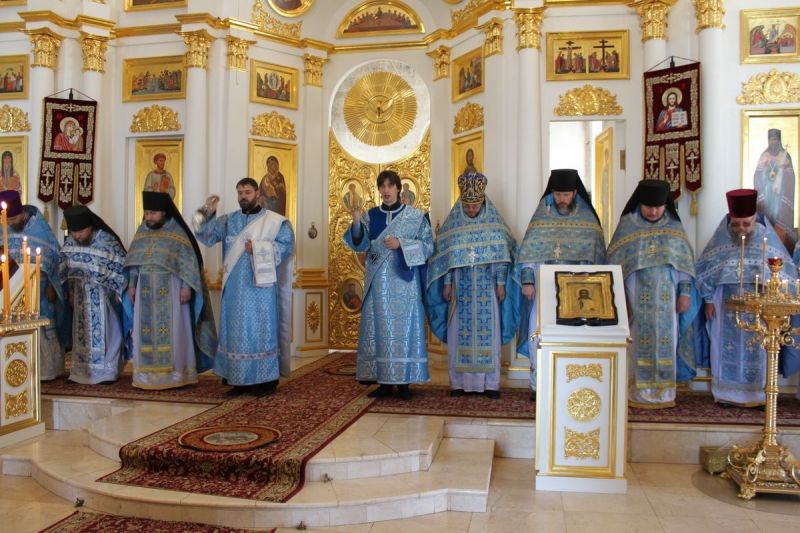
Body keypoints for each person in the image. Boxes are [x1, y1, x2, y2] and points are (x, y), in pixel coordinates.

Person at [696, 189, 799, 408]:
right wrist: (708, 300)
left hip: (759, 307)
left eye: (746, 223)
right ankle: (727, 394)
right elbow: (705, 271)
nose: (741, 229)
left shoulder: (767, 239)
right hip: (725, 304)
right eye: (736, 224)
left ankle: (758, 396)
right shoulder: (721, 238)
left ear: (755, 219)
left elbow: (786, 273)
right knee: (725, 347)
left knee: (758, 349)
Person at [194, 178, 295, 396]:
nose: (243, 196)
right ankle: (237, 381)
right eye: (240, 192)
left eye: (247, 192)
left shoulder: (274, 221)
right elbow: (204, 234)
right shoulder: (228, 221)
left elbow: (287, 246)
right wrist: (206, 211)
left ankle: (265, 381)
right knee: (235, 335)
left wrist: (258, 248)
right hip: (234, 291)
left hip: (261, 290)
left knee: (261, 333)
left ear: (258, 193)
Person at [607, 180, 702, 409]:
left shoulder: (674, 228)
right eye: (648, 207)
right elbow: (614, 263)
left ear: (665, 205)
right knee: (636, 340)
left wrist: (685, 294)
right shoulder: (627, 226)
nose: (653, 212)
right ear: (640, 203)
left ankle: (664, 394)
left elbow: (684, 267)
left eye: (658, 207)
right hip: (634, 297)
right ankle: (637, 393)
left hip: (668, 300)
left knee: (668, 341)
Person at [426, 169, 519, 398]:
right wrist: (447, 283)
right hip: (461, 289)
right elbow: (447, 259)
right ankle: (459, 384)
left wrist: (501, 283)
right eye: (467, 206)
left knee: (490, 335)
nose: (470, 209)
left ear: (483, 201)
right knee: (458, 335)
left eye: (475, 205)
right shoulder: (454, 225)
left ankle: (490, 384)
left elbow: (502, 256)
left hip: (487, 288)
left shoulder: (494, 226)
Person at [516, 169, 606, 401]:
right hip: (544, 289)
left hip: (577, 292)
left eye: (566, 195)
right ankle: (538, 385)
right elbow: (528, 255)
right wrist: (527, 281)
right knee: (538, 333)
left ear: (575, 193)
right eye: (558, 195)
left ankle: (571, 382)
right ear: (552, 193)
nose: (562, 199)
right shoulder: (541, 217)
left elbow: (595, 256)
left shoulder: (587, 220)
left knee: (572, 335)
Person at [344, 170, 433, 400]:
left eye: (390, 186)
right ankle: (383, 382)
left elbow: (428, 247)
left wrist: (401, 243)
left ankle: (404, 384)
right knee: (381, 330)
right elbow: (359, 244)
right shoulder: (371, 215)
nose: (386, 190)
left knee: (403, 331)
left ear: (398, 188)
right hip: (379, 284)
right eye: (382, 186)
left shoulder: (415, 216)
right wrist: (356, 222)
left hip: (405, 284)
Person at [124, 191, 217, 390]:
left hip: (172, 290)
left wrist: (186, 287)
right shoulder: (142, 232)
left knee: (175, 331)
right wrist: (131, 285)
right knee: (144, 332)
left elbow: (187, 263)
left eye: (153, 213)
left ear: (164, 212)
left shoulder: (177, 233)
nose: (149, 217)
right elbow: (134, 262)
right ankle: (145, 377)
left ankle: (176, 375)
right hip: (144, 291)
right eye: (147, 213)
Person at [0, 190, 67, 381]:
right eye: (7, 220)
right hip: (11, 289)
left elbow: (55, 257)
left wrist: (52, 285)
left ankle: (48, 370)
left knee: (43, 325)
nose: (10, 223)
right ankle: (16, 369)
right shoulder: (3, 228)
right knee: (13, 326)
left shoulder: (39, 228)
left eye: (13, 219)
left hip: (40, 287)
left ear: (22, 213)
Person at [60, 205, 127, 385]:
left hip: (104, 297)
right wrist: (71, 291)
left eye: (81, 231)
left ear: (90, 226)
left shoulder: (107, 241)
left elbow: (121, 269)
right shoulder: (71, 243)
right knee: (81, 334)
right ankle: (80, 372)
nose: (77, 236)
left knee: (108, 333)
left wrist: (117, 291)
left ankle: (107, 372)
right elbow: (66, 270)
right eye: (74, 232)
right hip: (80, 296)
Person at [754, 128, 796, 253]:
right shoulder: (764, 155)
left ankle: (781, 244)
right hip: (767, 193)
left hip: (780, 195)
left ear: (779, 140)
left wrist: (782, 172)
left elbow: (791, 176)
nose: (773, 142)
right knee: (768, 217)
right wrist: (765, 170)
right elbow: (757, 175)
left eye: (775, 139)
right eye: (771, 139)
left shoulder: (785, 156)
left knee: (779, 216)